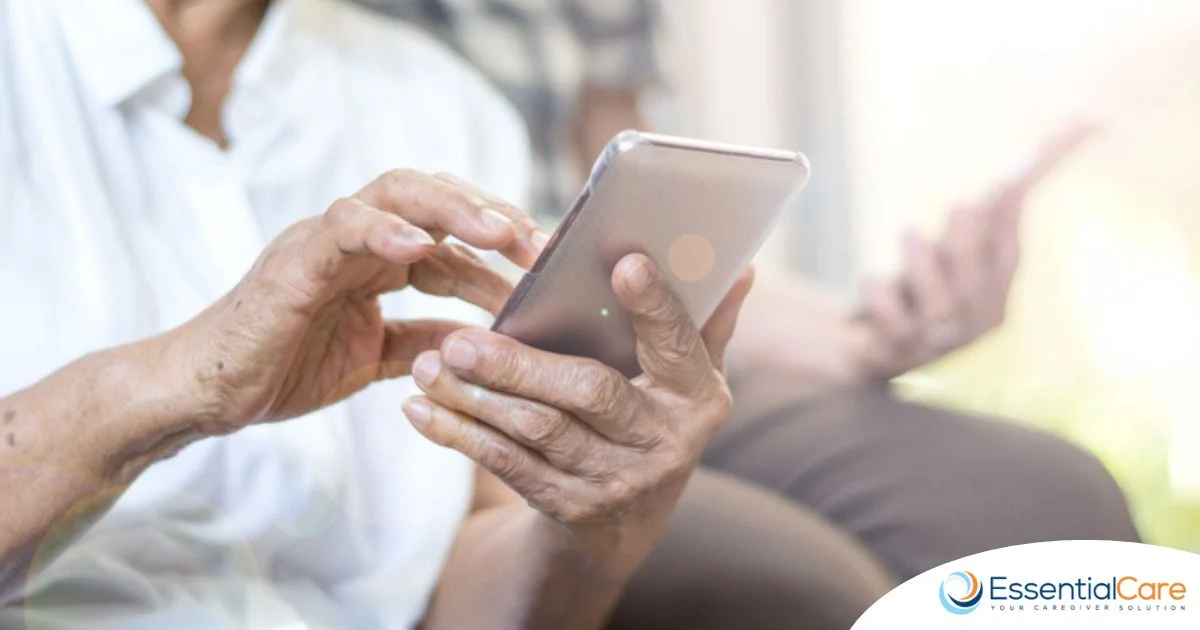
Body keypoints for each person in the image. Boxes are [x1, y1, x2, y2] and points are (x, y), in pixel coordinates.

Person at [0, 2, 1138, 630]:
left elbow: (466, 598)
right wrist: (173, 388)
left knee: (1042, 502)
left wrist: (592, 531)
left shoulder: (430, 102)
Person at [355, 0, 1142, 584]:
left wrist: (855, 341)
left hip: (624, 342)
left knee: (1052, 502)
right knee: (811, 586)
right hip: (407, 376)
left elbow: (638, 221)